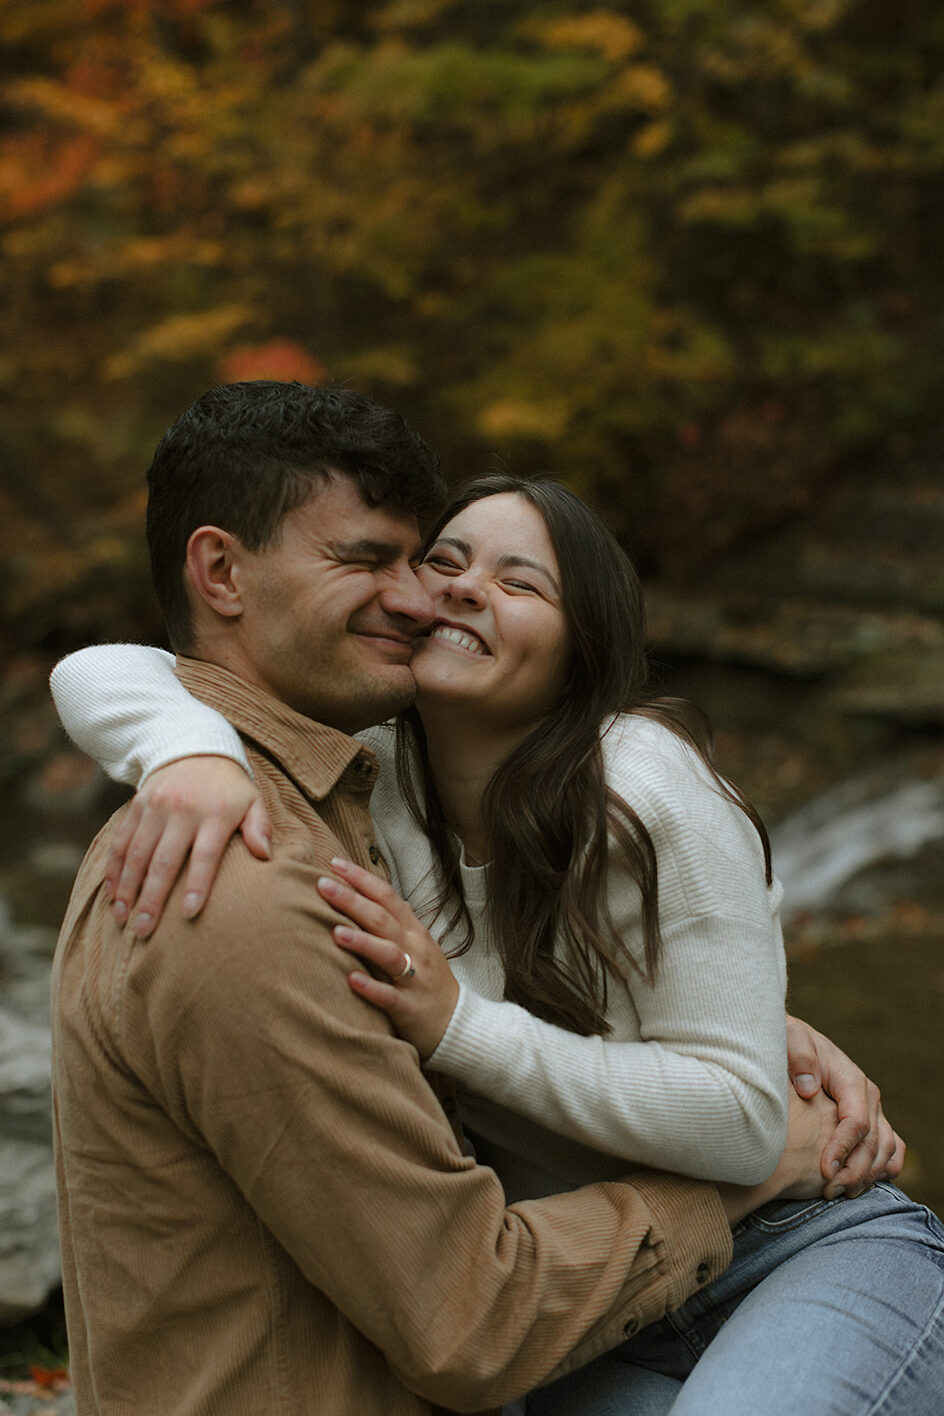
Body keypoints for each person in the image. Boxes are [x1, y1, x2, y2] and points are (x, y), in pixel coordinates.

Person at [52, 459, 944, 1413]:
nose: (469, 587)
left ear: (578, 647)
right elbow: (106, 666)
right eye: (447, 561)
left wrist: (457, 1027)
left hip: (791, 1246)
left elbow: (745, 1125)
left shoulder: (645, 787)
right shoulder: (371, 784)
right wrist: (187, 751)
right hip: (597, 1300)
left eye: (522, 582)